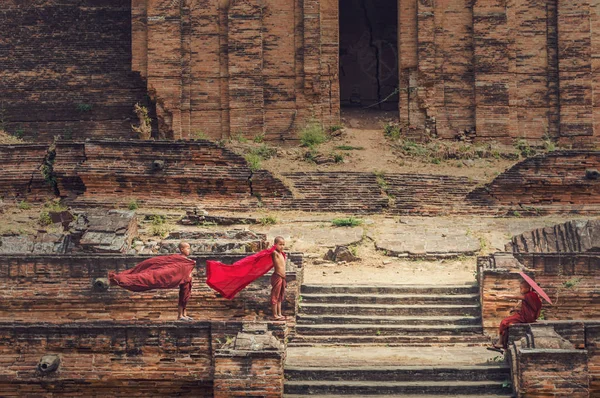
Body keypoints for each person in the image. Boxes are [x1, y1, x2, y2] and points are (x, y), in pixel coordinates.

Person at [109, 241, 196, 321]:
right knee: (148, 277)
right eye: (187, 248)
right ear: (182, 249)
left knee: (184, 298)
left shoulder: (188, 261)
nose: (189, 250)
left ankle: (183, 314)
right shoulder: (177, 258)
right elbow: (165, 264)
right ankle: (180, 316)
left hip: (186, 281)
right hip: (178, 278)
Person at [492, 280, 542, 350]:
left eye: (522, 288)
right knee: (508, 324)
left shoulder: (529, 295)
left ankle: (500, 342)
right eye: (520, 288)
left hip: (526, 317)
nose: (520, 290)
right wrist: (517, 310)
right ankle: (504, 343)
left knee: (504, 322)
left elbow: (515, 297)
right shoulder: (534, 295)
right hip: (530, 316)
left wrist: (503, 295)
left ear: (527, 288)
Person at [270, 237, 287, 320]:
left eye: (283, 245)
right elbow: (270, 251)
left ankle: (279, 313)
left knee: (280, 297)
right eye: (280, 244)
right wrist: (272, 247)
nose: (282, 246)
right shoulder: (275, 253)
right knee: (275, 296)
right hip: (277, 276)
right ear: (275, 245)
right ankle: (275, 314)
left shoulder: (282, 254)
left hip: (282, 277)